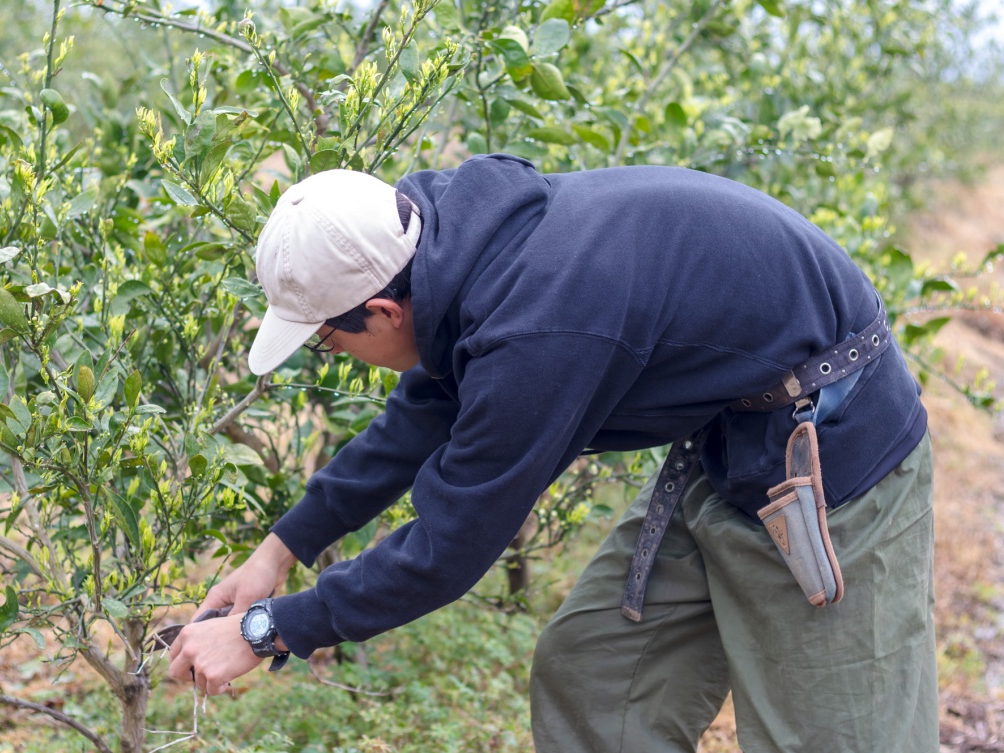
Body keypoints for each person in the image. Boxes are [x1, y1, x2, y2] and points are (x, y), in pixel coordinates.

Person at [166, 154, 937, 753]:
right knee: (597, 676)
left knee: (835, 733)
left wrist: (267, 630)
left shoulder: (538, 327)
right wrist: (277, 551)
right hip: (730, 438)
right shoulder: (454, 246)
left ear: (382, 310)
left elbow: (446, 548)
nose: (332, 353)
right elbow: (423, 412)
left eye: (329, 339)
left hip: (833, 452)